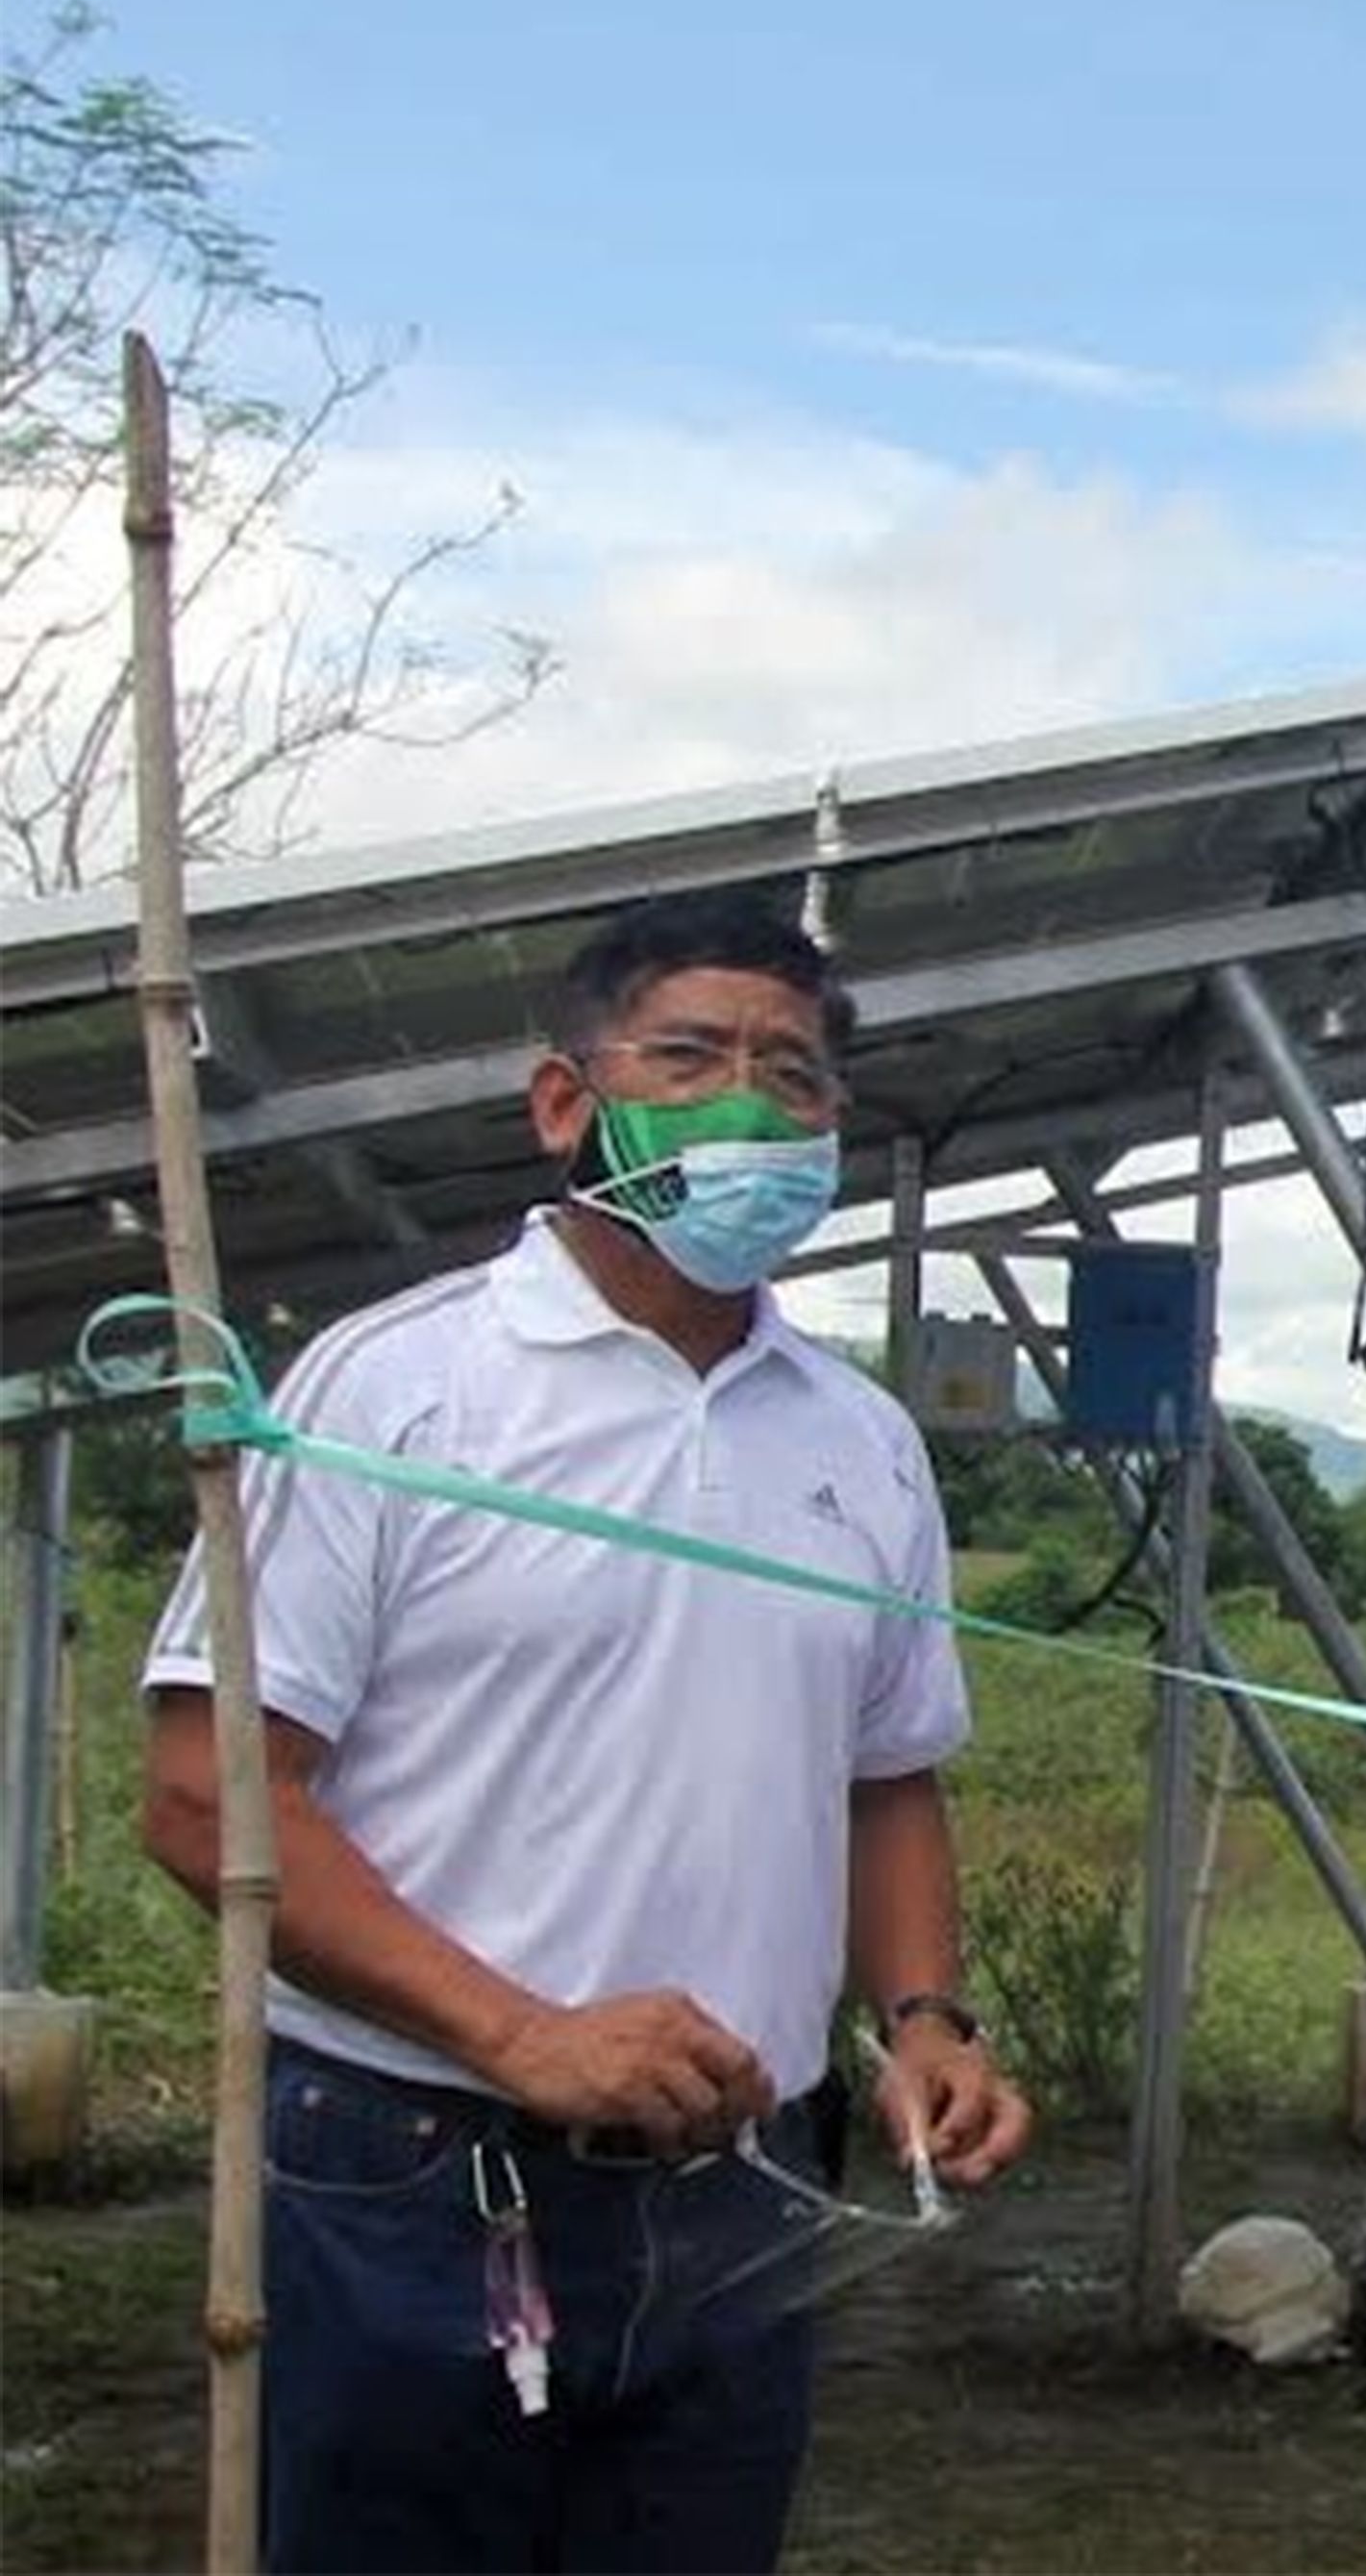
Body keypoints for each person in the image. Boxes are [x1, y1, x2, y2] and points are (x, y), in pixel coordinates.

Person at [136, 887, 1029, 2574]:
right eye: (690, 1059)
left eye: (798, 1079)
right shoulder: (396, 1390)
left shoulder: (861, 1438)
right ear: (568, 1105)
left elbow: (887, 1773)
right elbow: (208, 1797)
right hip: (419, 2166)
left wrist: (923, 2016)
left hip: (749, 2183)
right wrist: (520, 2034)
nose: (750, 1111)